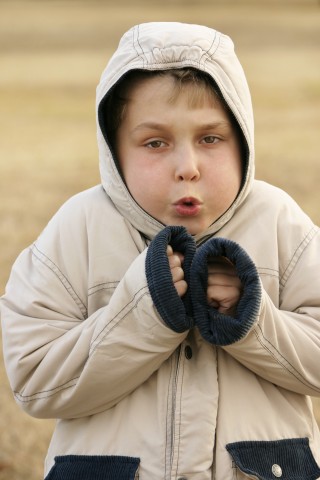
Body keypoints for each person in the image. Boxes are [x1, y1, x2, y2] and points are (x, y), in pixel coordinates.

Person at [1, 22, 320, 480]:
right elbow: (34, 381)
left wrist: (249, 320)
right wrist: (142, 312)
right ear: (115, 152)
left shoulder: (278, 221)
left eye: (211, 139)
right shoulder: (79, 228)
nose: (186, 167)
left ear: (243, 139)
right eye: (156, 143)